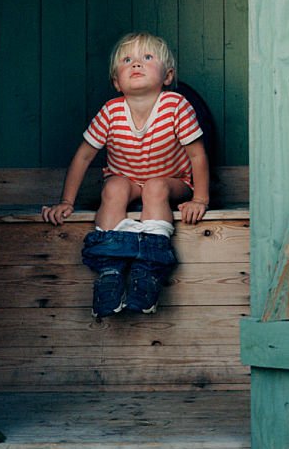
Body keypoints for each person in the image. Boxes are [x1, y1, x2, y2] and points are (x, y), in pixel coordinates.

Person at [41, 32, 210, 317]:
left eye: (147, 58)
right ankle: (110, 270)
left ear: (168, 76)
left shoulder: (175, 105)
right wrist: (66, 202)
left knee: (155, 187)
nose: (136, 64)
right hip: (128, 180)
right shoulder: (111, 111)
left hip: (173, 181)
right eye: (127, 60)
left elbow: (197, 155)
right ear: (116, 82)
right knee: (113, 188)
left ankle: (149, 268)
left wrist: (200, 199)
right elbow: (83, 156)